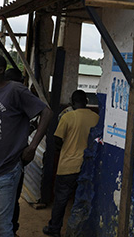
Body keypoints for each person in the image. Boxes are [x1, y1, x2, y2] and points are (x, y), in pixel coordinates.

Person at [0, 54, 52, 237]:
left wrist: (33, 146)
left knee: (1, 225)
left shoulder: (15, 90)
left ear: (1, 70)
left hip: (8, 170)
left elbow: (47, 112)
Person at [43, 90, 99, 237]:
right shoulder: (96, 117)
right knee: (83, 199)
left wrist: (64, 148)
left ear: (72, 102)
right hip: (87, 166)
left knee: (61, 199)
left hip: (68, 166)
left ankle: (54, 229)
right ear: (86, 101)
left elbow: (56, 140)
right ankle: (80, 230)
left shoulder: (68, 117)